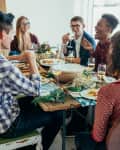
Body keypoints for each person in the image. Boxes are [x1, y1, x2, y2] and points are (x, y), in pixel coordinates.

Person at [0, 11, 62, 150]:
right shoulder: (3, 66)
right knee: (58, 114)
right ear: (2, 35)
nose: (11, 38)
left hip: (7, 107)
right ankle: (42, 147)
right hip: (7, 125)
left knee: (36, 101)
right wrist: (32, 60)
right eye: (10, 34)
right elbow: (36, 89)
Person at [75, 31, 120, 150]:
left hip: (113, 144)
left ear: (114, 55)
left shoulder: (108, 91)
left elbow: (98, 136)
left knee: (81, 137)